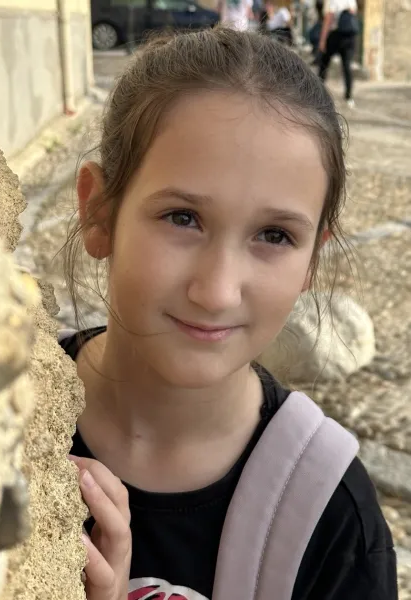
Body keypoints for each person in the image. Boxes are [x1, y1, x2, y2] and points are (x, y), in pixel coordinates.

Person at [61, 27, 397, 600]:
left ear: (312, 260)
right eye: (182, 218)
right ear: (98, 213)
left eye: (274, 235)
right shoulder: (9, 412)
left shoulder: (333, 523)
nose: (217, 292)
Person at [318, 0, 359, 108]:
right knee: (347, 66)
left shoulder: (333, 1)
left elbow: (329, 19)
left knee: (324, 63)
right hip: (349, 37)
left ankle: (318, 92)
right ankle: (349, 97)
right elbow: (353, 14)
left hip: (335, 35)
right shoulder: (351, 1)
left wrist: (322, 40)